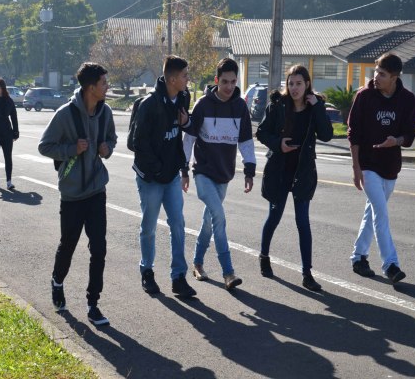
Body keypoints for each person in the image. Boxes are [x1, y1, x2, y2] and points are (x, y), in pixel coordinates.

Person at [38, 62, 117, 326]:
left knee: (99, 248)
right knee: (68, 244)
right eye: (104, 83)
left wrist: (107, 149)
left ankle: (93, 303)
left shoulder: (105, 112)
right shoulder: (65, 115)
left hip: (96, 190)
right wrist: (72, 149)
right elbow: (45, 146)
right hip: (72, 194)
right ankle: (57, 281)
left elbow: (111, 140)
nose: (108, 86)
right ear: (90, 87)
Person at [255, 64, 333, 292]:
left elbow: (327, 135)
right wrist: (278, 144)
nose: (294, 87)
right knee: (274, 216)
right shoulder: (278, 105)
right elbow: (261, 132)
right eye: (291, 83)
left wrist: (318, 107)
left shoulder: (313, 107)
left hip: (303, 172)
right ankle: (264, 256)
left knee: (302, 222)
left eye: (299, 83)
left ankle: (307, 273)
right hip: (280, 169)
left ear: (307, 84)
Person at [182, 58, 256, 291]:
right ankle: (228, 272)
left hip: (225, 174)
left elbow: (245, 141)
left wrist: (250, 169)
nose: (229, 86)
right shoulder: (203, 105)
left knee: (208, 221)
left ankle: (196, 262)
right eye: (225, 81)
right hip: (203, 173)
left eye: (233, 82)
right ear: (216, 81)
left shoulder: (240, 107)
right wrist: (184, 170)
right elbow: (189, 139)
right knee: (220, 218)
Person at [348, 53, 415, 284]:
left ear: (395, 77)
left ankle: (358, 257)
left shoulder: (407, 99)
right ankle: (391, 264)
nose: (376, 77)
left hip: (391, 167)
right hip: (368, 165)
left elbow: (409, 135)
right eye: (376, 71)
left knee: (372, 212)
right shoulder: (364, 96)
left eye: (382, 74)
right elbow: (353, 133)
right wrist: (356, 168)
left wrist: (395, 141)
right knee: (381, 214)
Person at [130, 55, 196, 297]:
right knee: (149, 226)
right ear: (171, 79)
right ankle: (147, 271)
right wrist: (157, 170)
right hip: (149, 176)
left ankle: (178, 277)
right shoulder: (149, 104)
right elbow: (139, 143)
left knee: (178, 224)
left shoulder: (183, 98)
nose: (188, 80)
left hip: (170, 176)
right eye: (185, 76)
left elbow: (184, 133)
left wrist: (182, 169)